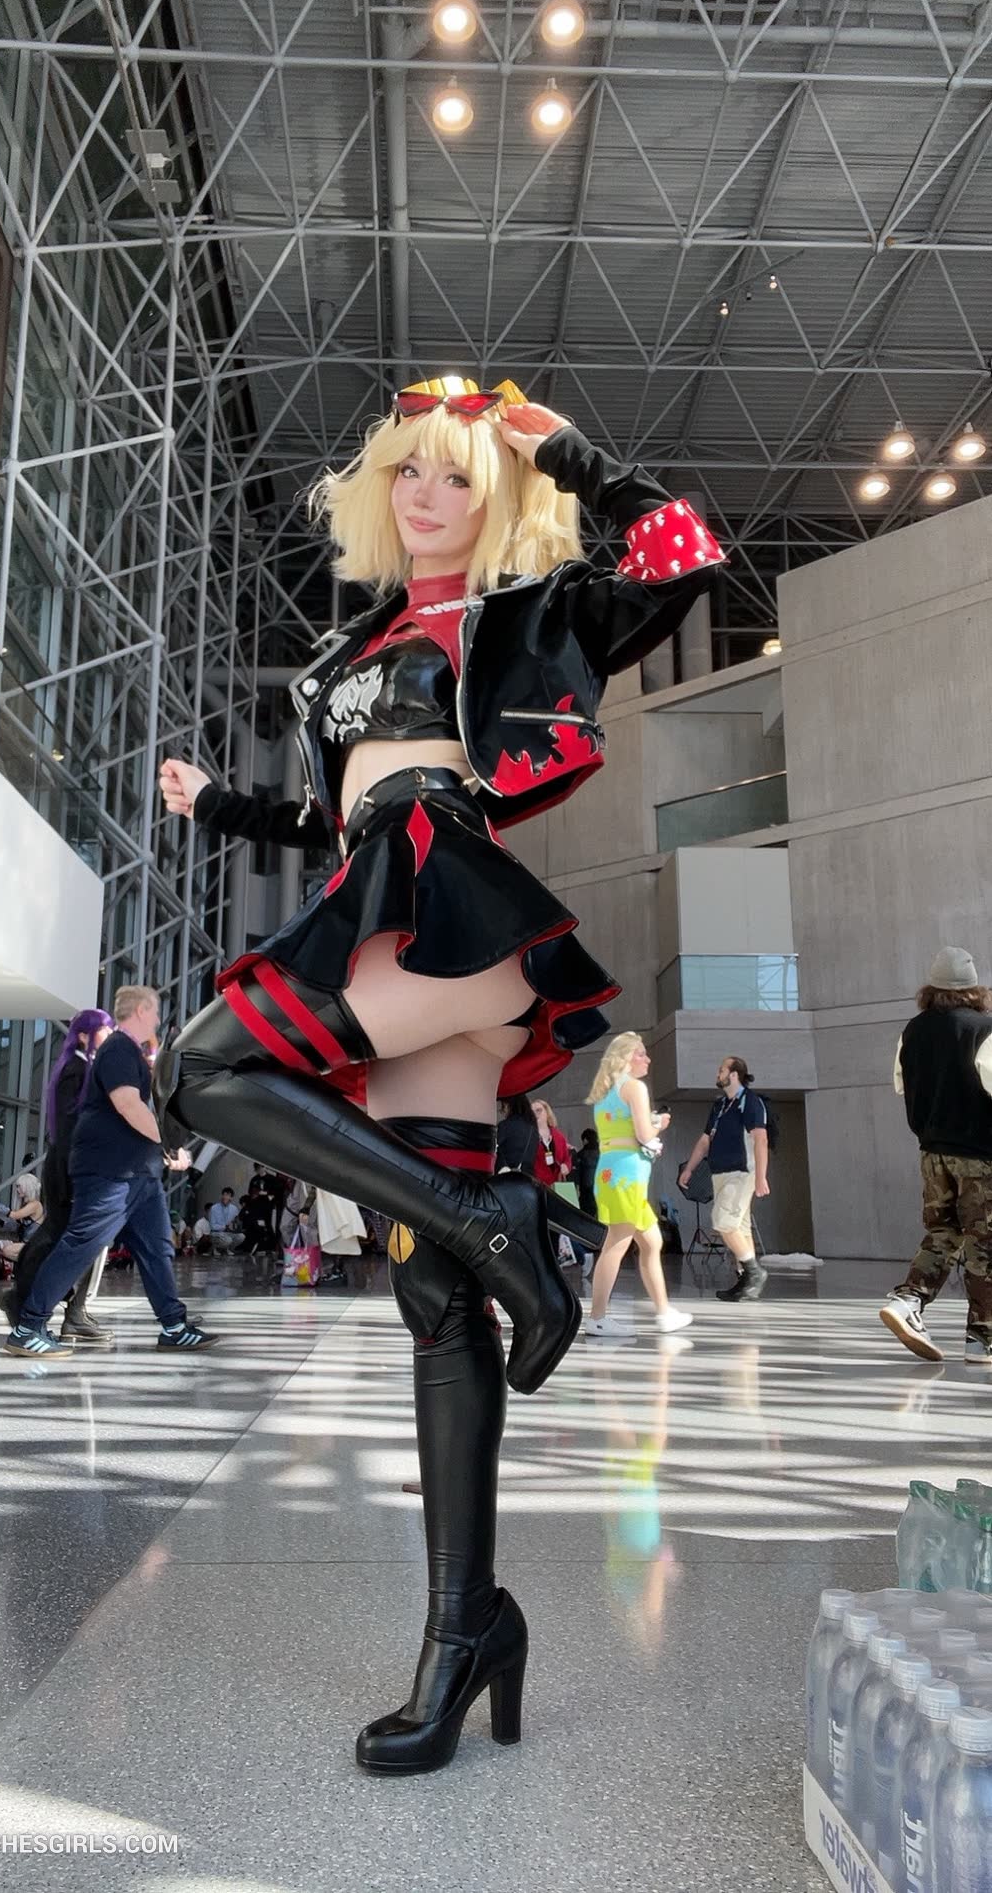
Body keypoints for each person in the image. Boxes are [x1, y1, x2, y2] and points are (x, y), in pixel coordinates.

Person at [153, 374, 724, 1772]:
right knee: (432, 1302)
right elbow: (333, 807)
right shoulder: (352, 645)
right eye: (409, 468)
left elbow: (681, 553)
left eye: (459, 473)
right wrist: (219, 806)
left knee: (203, 1068)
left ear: (497, 493)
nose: (426, 493)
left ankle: (496, 1222)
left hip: (449, 910)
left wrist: (562, 449)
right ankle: (466, 1628)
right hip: (382, 907)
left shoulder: (523, 612)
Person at [1, 986, 218, 1358]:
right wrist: (168, 1145)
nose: (157, 1019)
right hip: (110, 1173)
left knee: (157, 1248)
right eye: (154, 1011)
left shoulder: (129, 1052)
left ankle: (174, 1326)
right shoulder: (118, 1048)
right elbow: (127, 1104)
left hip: (139, 1175)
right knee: (80, 1245)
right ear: (140, 1011)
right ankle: (28, 1327)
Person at [880, 947, 992, 1364]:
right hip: (981, 1155)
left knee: (943, 1232)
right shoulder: (984, 1030)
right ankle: (982, 1338)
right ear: (975, 988)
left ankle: (908, 1301)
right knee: (985, 1243)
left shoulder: (912, 1032)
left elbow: (901, 1085)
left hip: (932, 1153)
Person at [0, 1008, 115, 1344]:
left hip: (70, 1166)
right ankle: (28, 1303)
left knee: (66, 1237)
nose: (110, 1034)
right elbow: (71, 1129)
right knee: (61, 1239)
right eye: (105, 1029)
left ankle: (53, 1307)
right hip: (70, 1168)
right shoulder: (76, 1071)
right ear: (84, 1035)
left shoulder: (81, 1067)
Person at [585, 1033, 692, 1338]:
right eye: (641, 1054)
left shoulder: (605, 1091)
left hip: (612, 1173)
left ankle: (664, 1312)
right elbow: (644, 1134)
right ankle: (598, 1317)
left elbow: (621, 1130)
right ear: (626, 1057)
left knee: (651, 1242)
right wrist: (659, 1124)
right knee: (617, 1243)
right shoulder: (634, 1087)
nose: (647, 1059)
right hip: (627, 1175)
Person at [679, 1055, 770, 1303]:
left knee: (723, 1222)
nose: (717, 1074)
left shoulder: (750, 1102)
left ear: (734, 1075)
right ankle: (746, 1283)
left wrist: (761, 1176)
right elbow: (705, 1140)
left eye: (721, 1070)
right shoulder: (720, 1105)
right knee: (740, 1227)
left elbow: (761, 1139)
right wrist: (689, 1168)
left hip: (741, 1173)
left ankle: (754, 1273)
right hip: (720, 1174)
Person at [530, 1098, 570, 1189]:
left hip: (557, 1185)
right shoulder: (528, 1136)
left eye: (539, 1110)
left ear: (547, 1113)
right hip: (536, 1186)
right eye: (532, 1112)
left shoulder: (559, 1136)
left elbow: (567, 1158)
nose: (535, 1114)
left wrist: (566, 1166)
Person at [496, 1094, 538, 1175]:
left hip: (506, 1177)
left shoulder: (505, 1125)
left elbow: (494, 1148)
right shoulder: (533, 1129)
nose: (503, 1111)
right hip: (526, 1177)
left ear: (508, 1105)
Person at [573, 1127, 600, 1219]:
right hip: (602, 1189)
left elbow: (576, 1175)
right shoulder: (603, 1154)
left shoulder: (580, 1155)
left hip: (586, 1190)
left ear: (585, 1140)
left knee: (587, 1215)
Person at [208, 1187, 244, 1255]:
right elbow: (212, 1226)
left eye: (228, 1195)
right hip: (216, 1233)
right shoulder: (214, 1208)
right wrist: (225, 1227)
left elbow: (236, 1222)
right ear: (221, 1196)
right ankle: (215, 1247)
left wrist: (235, 1226)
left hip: (228, 1233)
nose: (225, 1197)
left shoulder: (234, 1208)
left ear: (231, 1198)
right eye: (224, 1195)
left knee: (241, 1237)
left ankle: (227, 1248)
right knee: (228, 1240)